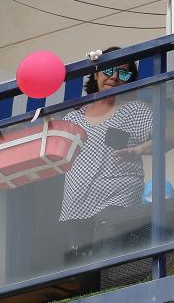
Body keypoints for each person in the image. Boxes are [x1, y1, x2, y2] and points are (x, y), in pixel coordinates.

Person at [60, 47, 153, 264]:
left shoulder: (135, 110)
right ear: (95, 73)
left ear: (130, 81)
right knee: (81, 273)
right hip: (76, 205)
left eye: (123, 73)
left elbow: (165, 138)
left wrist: (138, 150)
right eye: (109, 70)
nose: (114, 77)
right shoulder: (73, 118)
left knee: (108, 262)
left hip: (117, 200)